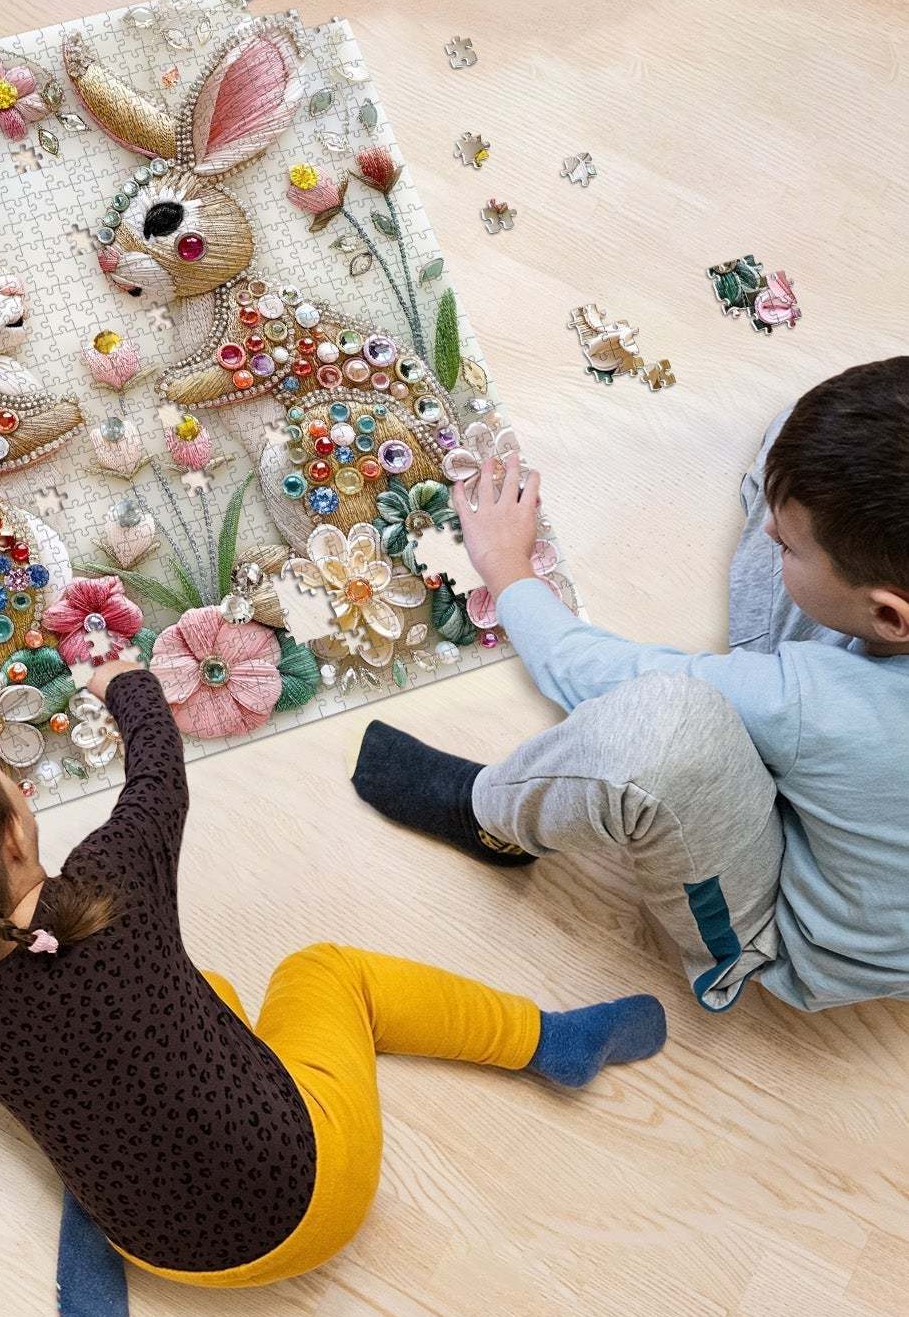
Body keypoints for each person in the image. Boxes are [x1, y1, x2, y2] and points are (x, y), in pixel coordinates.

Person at [0, 657, 665, 1317]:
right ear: (17, 828)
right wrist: (127, 684)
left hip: (158, 1247)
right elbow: (157, 778)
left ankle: (94, 1227)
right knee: (322, 972)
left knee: (167, 1020)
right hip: (317, 1193)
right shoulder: (109, 885)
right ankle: (547, 1040)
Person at [353, 359, 909, 1013]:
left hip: (793, 937)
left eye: (784, 547)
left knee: (666, 732)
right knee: (806, 445)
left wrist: (503, 562)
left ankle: (486, 817)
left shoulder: (815, 703)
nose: (768, 533)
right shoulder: (839, 686)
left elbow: (578, 666)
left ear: (889, 617)